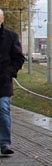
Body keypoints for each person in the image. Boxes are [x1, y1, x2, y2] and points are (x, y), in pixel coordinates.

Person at [0, 9, 26, 156]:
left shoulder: (11, 37)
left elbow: (19, 58)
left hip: (3, 82)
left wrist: (9, 72)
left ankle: (4, 143)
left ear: (2, 19)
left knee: (3, 108)